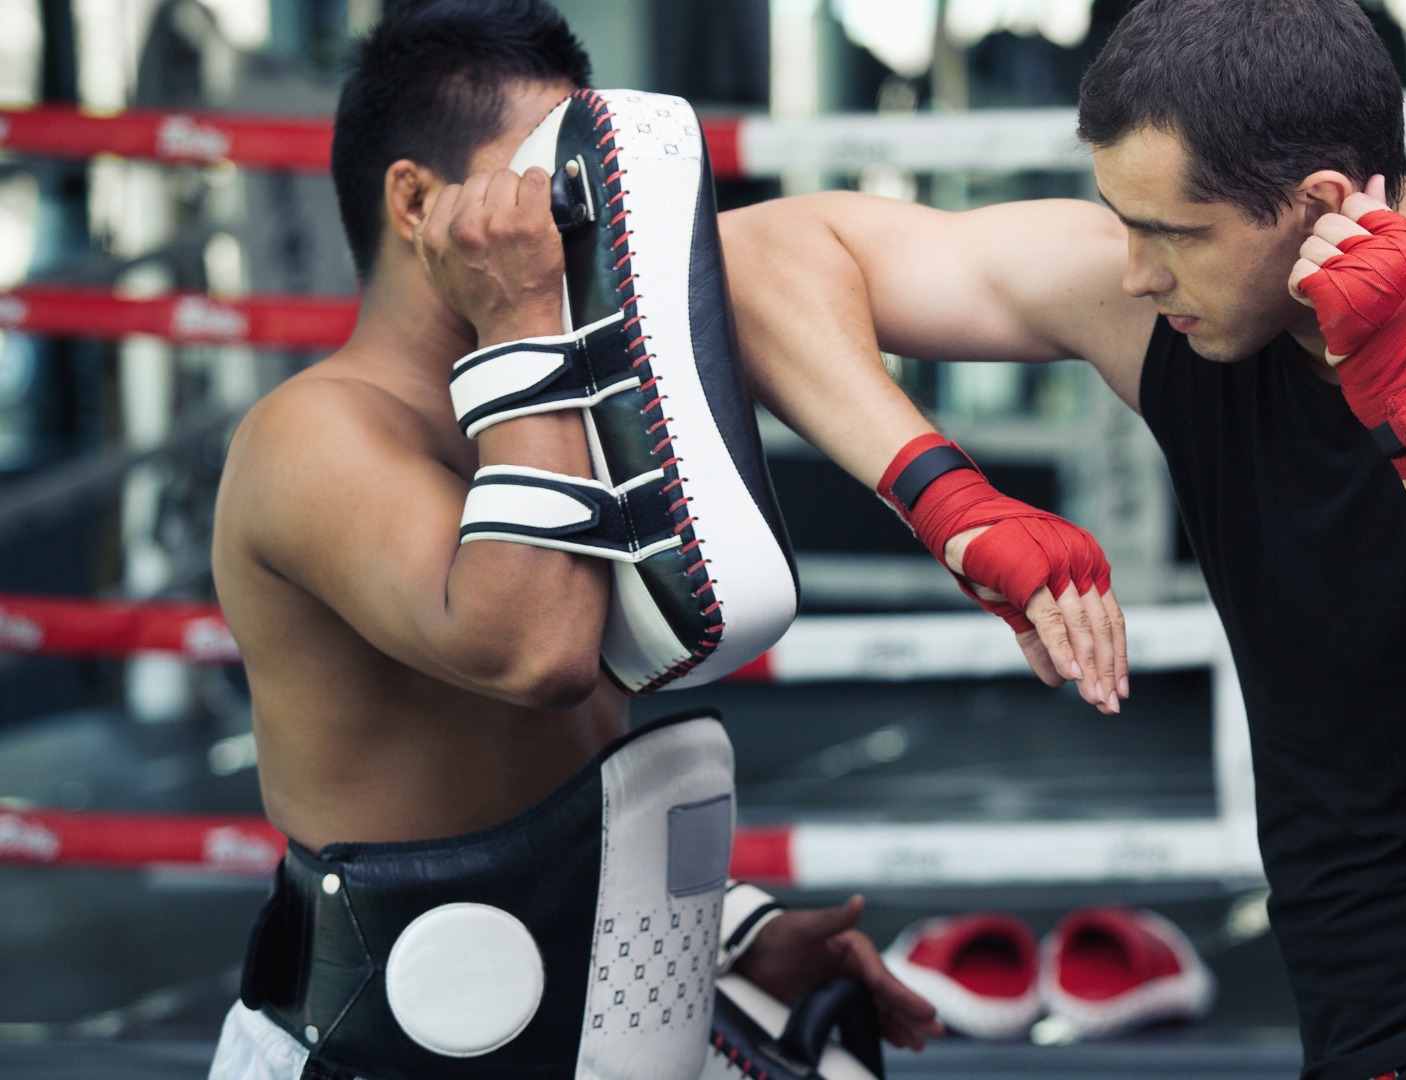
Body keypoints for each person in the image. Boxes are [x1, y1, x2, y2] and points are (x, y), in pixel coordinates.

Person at [719, 1, 1406, 1077]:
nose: (1139, 274)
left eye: (1176, 234)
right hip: (1360, 1031)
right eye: (1124, 223)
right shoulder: (1161, 302)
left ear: (1323, 206)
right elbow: (751, 258)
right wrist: (948, 499)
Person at [207, 1, 938, 1075]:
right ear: (415, 200)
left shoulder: (554, 420)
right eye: (541, 184)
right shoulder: (313, 436)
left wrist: (727, 947)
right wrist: (517, 319)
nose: (570, 221)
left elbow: (564, 775)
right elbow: (537, 654)